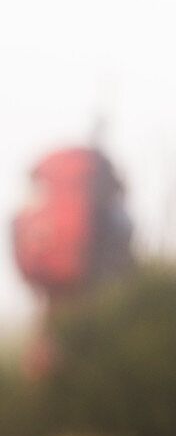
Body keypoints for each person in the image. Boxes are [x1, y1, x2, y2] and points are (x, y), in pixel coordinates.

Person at [12, 144, 133, 377]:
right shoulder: (106, 209)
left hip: (56, 278)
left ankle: (42, 390)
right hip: (90, 282)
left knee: (50, 333)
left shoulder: (50, 212)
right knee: (83, 340)